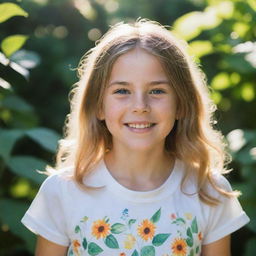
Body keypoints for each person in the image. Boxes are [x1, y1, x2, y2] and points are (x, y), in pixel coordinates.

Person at [21, 18, 249, 256]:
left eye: (157, 91)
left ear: (182, 104)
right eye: (122, 91)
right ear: (98, 105)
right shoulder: (62, 191)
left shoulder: (209, 192)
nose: (140, 106)